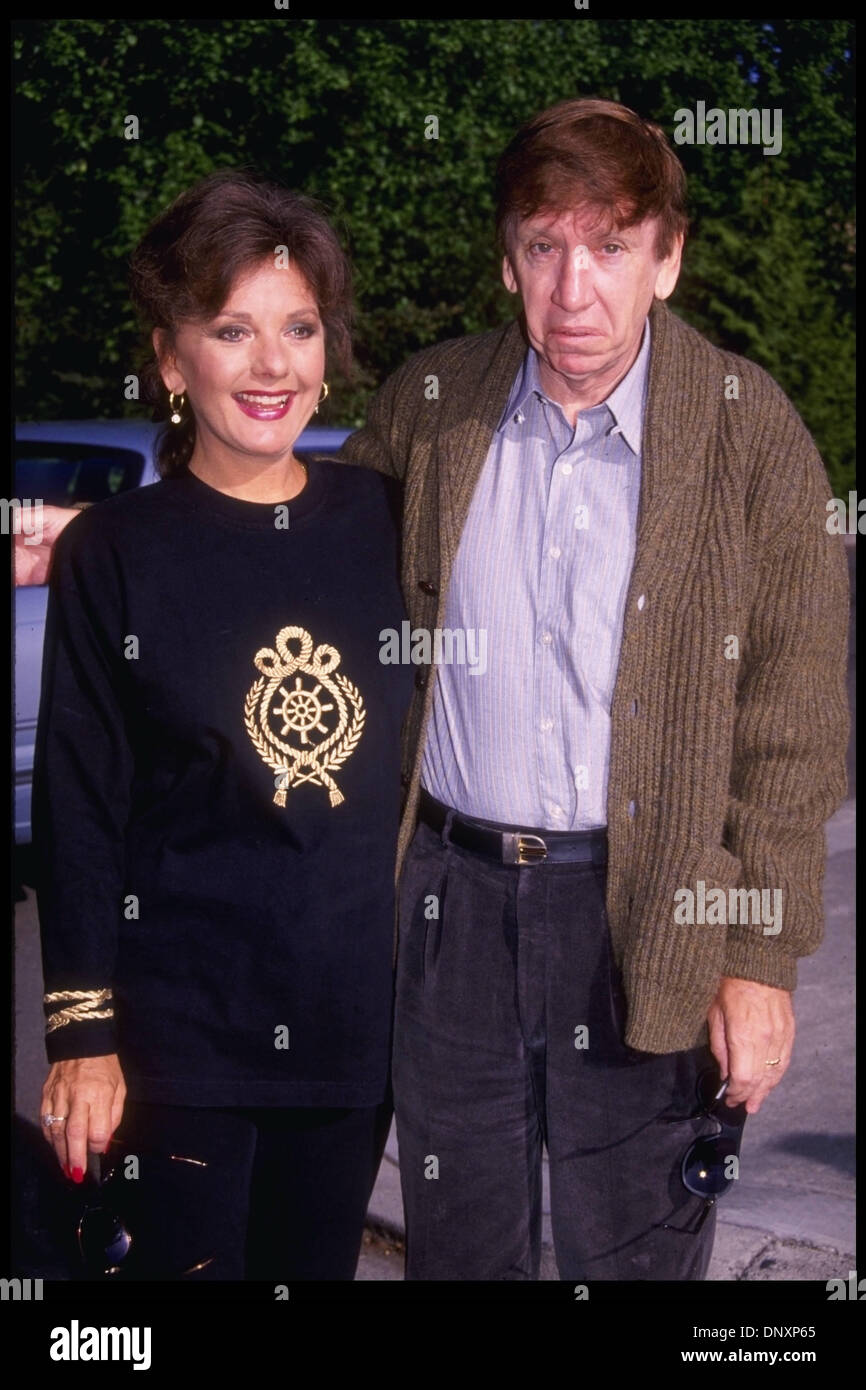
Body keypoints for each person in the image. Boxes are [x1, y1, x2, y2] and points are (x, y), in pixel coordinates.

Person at [336, 98, 850, 1279]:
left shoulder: (748, 432)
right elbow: (310, 580)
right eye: (543, 245)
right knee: (462, 1253)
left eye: (610, 247)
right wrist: (159, 534)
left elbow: (791, 730)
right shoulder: (430, 407)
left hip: (648, 911)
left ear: (666, 260)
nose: (574, 291)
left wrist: (757, 958)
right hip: (448, 905)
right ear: (506, 257)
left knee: (639, 1257)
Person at [32, 169, 412, 1280]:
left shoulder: (385, 519)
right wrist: (80, 1034)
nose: (273, 363)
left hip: (352, 1043)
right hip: (178, 1047)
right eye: (231, 329)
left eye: (297, 328)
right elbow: (80, 804)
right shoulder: (115, 552)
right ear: (169, 357)